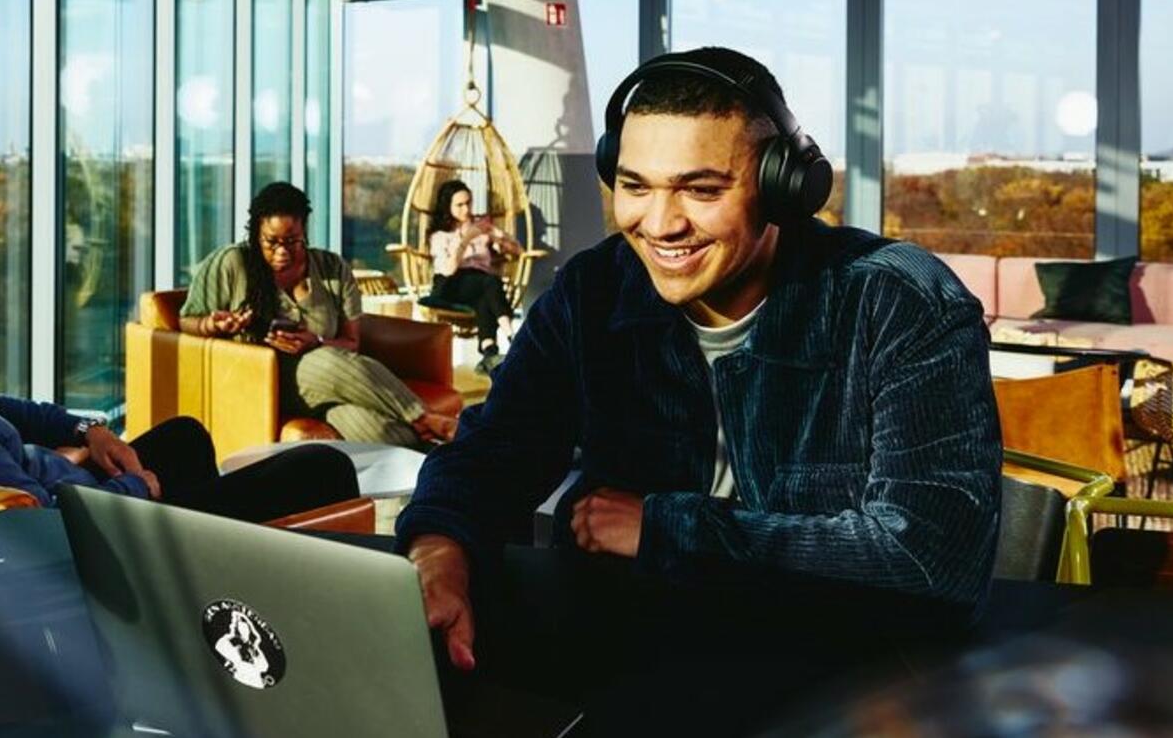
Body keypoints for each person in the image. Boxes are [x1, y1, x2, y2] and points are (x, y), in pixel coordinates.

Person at [394, 46, 1001, 677]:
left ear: (781, 188)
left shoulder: (898, 301)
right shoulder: (593, 293)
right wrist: (439, 550)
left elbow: (934, 560)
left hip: (842, 677)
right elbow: (494, 452)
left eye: (701, 190)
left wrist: (667, 530)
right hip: (634, 663)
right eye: (634, 186)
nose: (659, 224)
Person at [179, 182, 456, 447]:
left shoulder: (331, 268)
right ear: (255, 233)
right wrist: (212, 324)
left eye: (292, 241)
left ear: (305, 232)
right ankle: (426, 418)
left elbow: (352, 343)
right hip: (263, 378)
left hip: (330, 382)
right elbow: (186, 321)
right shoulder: (232, 263)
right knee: (325, 361)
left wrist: (317, 341)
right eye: (271, 242)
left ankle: (438, 470)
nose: (282, 251)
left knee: (376, 430)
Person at [0, 394, 358, 521]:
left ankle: (202, 572)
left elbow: (21, 413)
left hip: (76, 488)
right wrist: (133, 487)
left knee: (185, 436)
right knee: (323, 467)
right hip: (99, 532)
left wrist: (88, 432)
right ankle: (187, 552)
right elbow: (49, 529)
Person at [427, 179, 522, 374]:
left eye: (468, 202)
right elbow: (449, 269)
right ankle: (514, 338)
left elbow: (518, 251)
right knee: (489, 283)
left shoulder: (482, 229)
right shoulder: (439, 235)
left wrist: (497, 235)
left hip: (479, 284)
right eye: (459, 205)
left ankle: (489, 352)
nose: (466, 209)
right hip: (449, 284)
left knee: (485, 296)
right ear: (448, 207)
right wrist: (466, 239)